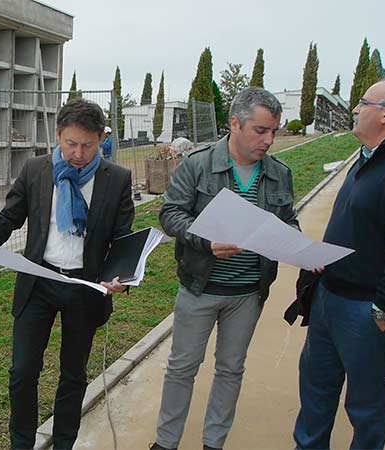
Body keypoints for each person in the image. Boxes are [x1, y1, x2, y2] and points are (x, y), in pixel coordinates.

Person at [0, 99, 134, 450]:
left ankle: (64, 442)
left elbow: (122, 239)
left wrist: (121, 277)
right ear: (58, 135)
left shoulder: (116, 179)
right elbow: (9, 216)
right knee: (22, 372)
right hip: (38, 282)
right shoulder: (36, 170)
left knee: (73, 375)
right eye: (70, 143)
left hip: (84, 288)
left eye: (88, 145)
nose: (78, 153)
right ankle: (22, 443)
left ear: (102, 139)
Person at [293, 79, 385, 449]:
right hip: (330, 298)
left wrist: (382, 311)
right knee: (315, 392)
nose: (356, 109)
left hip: (366, 310)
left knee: (366, 405)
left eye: (363, 103)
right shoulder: (367, 159)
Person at [151, 87, 298, 450]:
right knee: (182, 368)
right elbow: (170, 214)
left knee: (231, 370)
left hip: (248, 294)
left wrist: (294, 241)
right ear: (235, 123)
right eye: (260, 130)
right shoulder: (198, 164)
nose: (269, 140)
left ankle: (213, 442)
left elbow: (289, 221)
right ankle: (165, 443)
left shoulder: (280, 174)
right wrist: (205, 241)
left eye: (274, 131)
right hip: (199, 288)